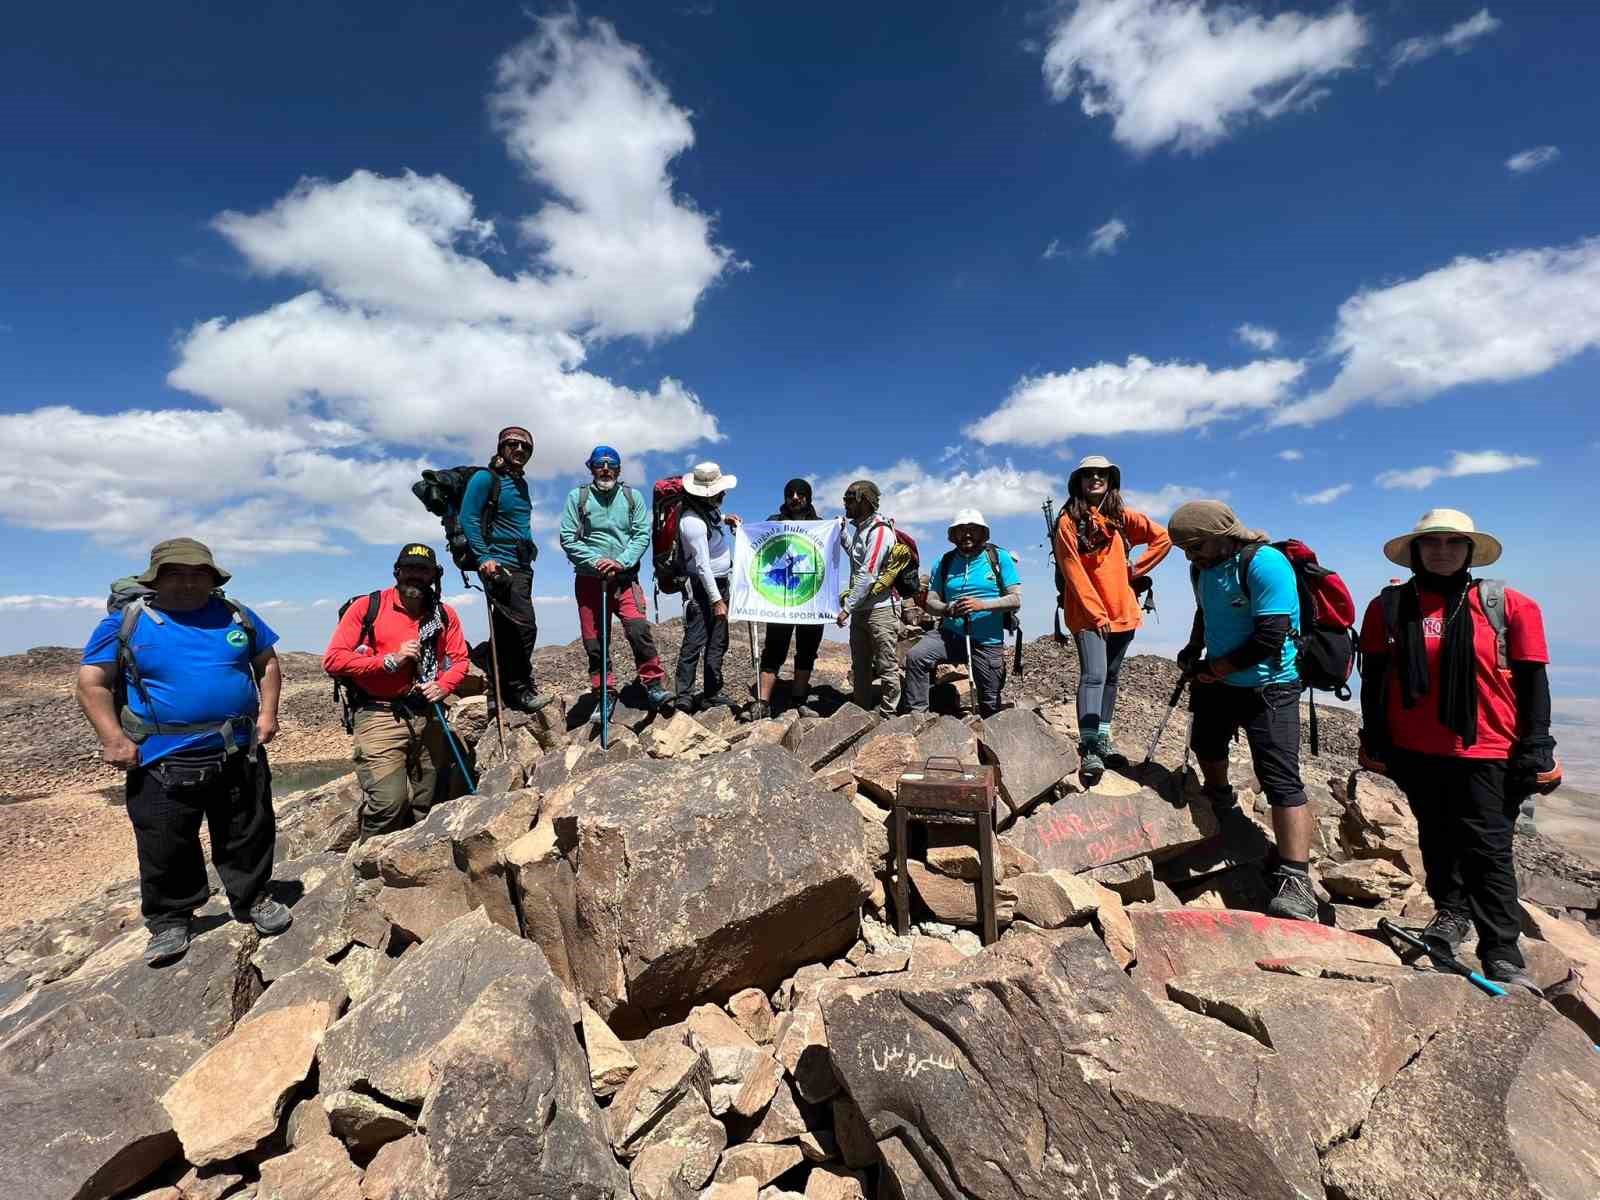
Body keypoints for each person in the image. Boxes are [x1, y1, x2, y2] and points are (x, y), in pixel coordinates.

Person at [1357, 509, 1560, 994]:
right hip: (1415, 749)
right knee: (1437, 837)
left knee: (1488, 851)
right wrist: (1374, 736)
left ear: (1469, 551)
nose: (1442, 550)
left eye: (1453, 542)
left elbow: (1534, 681)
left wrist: (1538, 746)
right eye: (1432, 543)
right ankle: (1450, 913)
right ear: (1415, 552)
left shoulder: (1508, 605)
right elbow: (1376, 678)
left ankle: (1502, 953)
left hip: (1488, 749)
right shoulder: (1387, 608)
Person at [75, 538, 292, 967]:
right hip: (161, 756)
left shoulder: (236, 615)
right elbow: (92, 683)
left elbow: (266, 663)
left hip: (238, 748)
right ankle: (171, 918)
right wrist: (113, 739)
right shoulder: (129, 622)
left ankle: (251, 898)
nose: (189, 582)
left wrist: (268, 713)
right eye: (176, 573)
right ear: (155, 578)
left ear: (212, 578)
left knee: (247, 829)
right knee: (165, 840)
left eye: (199, 574)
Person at [1170, 500, 1317, 923]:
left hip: (1271, 686)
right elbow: (1206, 611)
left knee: (1280, 777)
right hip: (1222, 680)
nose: (1189, 555)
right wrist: (1194, 649)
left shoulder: (1264, 563)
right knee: (1207, 744)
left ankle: (1297, 880)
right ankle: (1222, 803)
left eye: (1195, 545)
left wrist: (1216, 668)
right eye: (1184, 548)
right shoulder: (1203, 568)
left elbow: (1270, 635)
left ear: (1224, 533)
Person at [323, 543, 471, 840]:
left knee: (427, 800)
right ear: (397, 572)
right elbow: (333, 659)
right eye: (409, 569)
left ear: (433, 575)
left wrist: (443, 685)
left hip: (427, 713)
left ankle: (417, 861)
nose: (415, 576)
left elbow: (459, 660)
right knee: (388, 803)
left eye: (423, 570)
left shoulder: (444, 615)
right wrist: (389, 661)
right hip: (379, 714)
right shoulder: (368, 607)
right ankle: (368, 869)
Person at [1053, 455, 1171, 783]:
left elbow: (1163, 538)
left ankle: (1103, 740)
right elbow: (1072, 570)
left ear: (1110, 480)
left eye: (1101, 474)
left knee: (1111, 678)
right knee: (1094, 675)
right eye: (1088, 474)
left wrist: (1135, 570)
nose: (1095, 478)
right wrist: (1095, 611)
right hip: (1090, 614)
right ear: (1078, 481)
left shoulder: (1119, 517)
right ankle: (1089, 746)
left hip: (1123, 611)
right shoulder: (1068, 521)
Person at [559, 445, 671, 721]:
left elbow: (641, 534)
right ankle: (604, 693)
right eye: (600, 464)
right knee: (595, 641)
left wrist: (620, 561)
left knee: (637, 629)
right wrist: (597, 561)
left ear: (619, 470)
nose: (606, 469)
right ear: (592, 468)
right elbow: (567, 537)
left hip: (624, 578)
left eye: (611, 465)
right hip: (589, 579)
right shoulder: (578, 497)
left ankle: (653, 684)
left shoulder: (632, 497)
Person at [460, 425, 551, 714]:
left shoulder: (520, 483)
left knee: (507, 627)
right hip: (500, 564)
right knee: (525, 627)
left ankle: (495, 675)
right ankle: (519, 690)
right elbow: (468, 517)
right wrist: (484, 557)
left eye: (526, 447)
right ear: (501, 447)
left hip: (522, 564)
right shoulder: (485, 478)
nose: (520, 450)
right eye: (514, 444)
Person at [904, 510, 1021, 718]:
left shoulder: (998, 557)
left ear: (983, 533)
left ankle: (989, 737)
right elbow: (931, 602)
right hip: (951, 634)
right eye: (961, 531)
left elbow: (1015, 600)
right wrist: (948, 609)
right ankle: (917, 717)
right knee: (916, 657)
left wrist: (981, 605)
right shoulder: (944, 562)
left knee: (990, 701)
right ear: (953, 535)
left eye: (973, 530)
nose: (967, 535)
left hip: (987, 640)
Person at [753, 478, 827, 719]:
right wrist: (741, 531)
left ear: (809, 496)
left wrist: (839, 528)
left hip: (810, 599)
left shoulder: (821, 525)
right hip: (779, 600)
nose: (795, 497)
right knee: (774, 648)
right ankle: (763, 702)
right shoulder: (773, 522)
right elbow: (757, 547)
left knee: (807, 649)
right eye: (790, 494)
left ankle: (798, 701)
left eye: (801, 493)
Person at [673, 462, 742, 712]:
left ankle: (712, 692)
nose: (724, 494)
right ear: (709, 493)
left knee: (718, 641)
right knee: (696, 639)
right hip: (703, 588)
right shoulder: (692, 522)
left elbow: (715, 520)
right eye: (720, 491)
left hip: (720, 583)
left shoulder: (708, 512)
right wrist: (716, 601)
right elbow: (702, 566)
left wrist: (727, 518)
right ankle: (684, 696)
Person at [835, 480, 904, 719]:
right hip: (863, 609)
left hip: (881, 610)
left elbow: (868, 572)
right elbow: (857, 559)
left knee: (886, 664)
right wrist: (843, 533)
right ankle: (861, 712)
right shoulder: (862, 530)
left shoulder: (880, 530)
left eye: (848, 499)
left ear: (863, 500)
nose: (845, 504)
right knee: (861, 665)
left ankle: (888, 714)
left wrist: (847, 608)